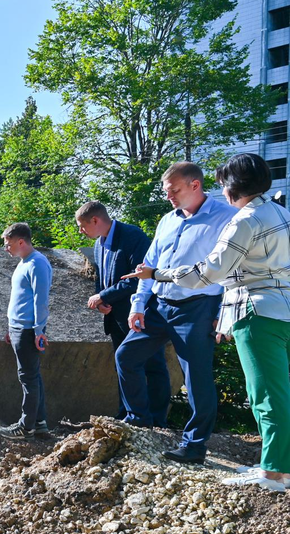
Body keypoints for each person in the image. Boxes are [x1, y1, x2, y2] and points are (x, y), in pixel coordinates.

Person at [123, 153, 290, 491]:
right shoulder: (280, 212)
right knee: (274, 392)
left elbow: (209, 272)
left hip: (253, 312)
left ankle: (272, 473)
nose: (221, 190)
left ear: (233, 185)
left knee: (265, 396)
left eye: (222, 183)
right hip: (276, 309)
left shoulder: (243, 219)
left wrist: (158, 275)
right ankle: (276, 466)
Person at [116, 161, 238, 464]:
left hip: (198, 308)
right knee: (126, 356)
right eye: (166, 191)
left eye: (173, 190)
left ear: (195, 185)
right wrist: (138, 305)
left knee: (196, 378)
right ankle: (139, 420)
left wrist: (223, 313)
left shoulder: (228, 218)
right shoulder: (167, 220)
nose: (168, 196)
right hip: (159, 306)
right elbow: (148, 267)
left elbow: (233, 270)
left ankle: (195, 445)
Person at [76, 201, 171, 424]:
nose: (81, 231)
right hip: (116, 318)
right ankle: (127, 415)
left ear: (96, 220)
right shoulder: (99, 244)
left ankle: (157, 420)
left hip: (141, 314)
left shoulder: (133, 236)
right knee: (124, 366)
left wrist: (104, 296)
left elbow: (138, 279)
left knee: (153, 366)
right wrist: (101, 300)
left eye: (82, 226)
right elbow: (101, 281)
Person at [0, 222, 52, 439]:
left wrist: (39, 330)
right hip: (19, 327)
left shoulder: (37, 263)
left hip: (29, 329)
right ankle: (39, 423)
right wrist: (11, 327)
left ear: (21, 241)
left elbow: (41, 300)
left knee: (28, 378)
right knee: (32, 377)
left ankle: (25, 427)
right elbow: (20, 298)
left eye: (8, 244)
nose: (6, 248)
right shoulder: (23, 262)